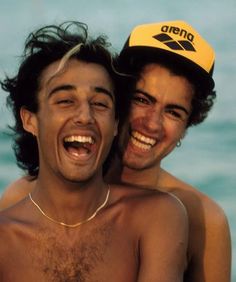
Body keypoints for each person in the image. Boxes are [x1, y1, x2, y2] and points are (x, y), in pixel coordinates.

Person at [0, 20, 231, 281]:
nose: (152, 123)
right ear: (116, 103)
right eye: (142, 99)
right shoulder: (21, 198)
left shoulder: (203, 220)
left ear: (186, 127)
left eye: (173, 112)